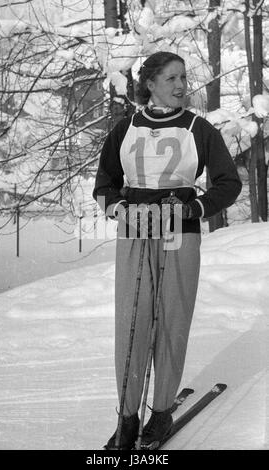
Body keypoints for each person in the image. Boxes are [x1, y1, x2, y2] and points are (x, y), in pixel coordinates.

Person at [93, 51, 242, 450]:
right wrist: (118, 207)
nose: (181, 86)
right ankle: (127, 418)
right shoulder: (125, 128)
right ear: (151, 83)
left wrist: (194, 207)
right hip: (135, 231)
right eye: (172, 78)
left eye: (183, 78)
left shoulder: (199, 128)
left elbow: (228, 184)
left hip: (180, 234)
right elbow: (104, 183)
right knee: (132, 322)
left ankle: (160, 413)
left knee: (173, 320)